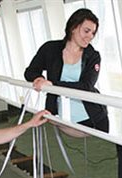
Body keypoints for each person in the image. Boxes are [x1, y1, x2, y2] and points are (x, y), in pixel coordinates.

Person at [24, 8, 108, 137]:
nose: (90, 36)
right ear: (73, 27)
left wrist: (52, 85)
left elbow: (86, 86)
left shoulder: (93, 56)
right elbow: (30, 71)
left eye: (93, 33)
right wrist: (39, 79)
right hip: (60, 116)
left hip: (93, 119)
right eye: (86, 31)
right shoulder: (50, 49)